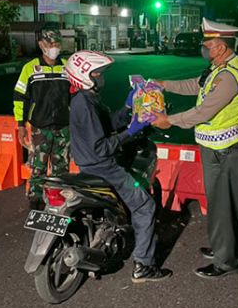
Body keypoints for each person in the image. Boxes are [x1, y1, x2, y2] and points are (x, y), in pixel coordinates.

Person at [152, 18, 238, 279]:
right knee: (221, 203)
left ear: (220, 47)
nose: (203, 47)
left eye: (208, 43)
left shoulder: (228, 76)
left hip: (225, 150)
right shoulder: (217, 67)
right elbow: (196, 85)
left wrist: (168, 121)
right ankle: (223, 246)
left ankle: (225, 262)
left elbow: (202, 111)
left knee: (223, 205)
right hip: (216, 147)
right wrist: (165, 84)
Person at [65, 50, 172, 283]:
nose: (102, 77)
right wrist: (130, 132)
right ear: (87, 76)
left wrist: (127, 106)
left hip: (86, 165)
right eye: (99, 73)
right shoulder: (85, 103)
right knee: (144, 206)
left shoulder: (85, 99)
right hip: (103, 167)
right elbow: (102, 146)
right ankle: (144, 266)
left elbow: (106, 125)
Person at [13, 30, 70, 198]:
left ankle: (59, 203)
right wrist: (21, 124)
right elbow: (19, 97)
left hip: (64, 128)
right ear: (41, 44)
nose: (54, 48)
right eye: (50, 44)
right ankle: (35, 202)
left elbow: (76, 94)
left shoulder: (67, 67)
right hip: (40, 128)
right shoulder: (30, 68)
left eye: (57, 44)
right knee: (38, 169)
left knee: (62, 171)